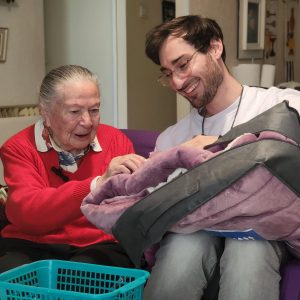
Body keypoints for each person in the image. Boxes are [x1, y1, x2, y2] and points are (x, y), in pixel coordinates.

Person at [143, 15, 300, 300]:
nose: (177, 82)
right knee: (183, 246)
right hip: (197, 232)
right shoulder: (172, 138)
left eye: (183, 64)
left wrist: (218, 144)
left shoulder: (283, 105)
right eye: (167, 73)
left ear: (215, 48)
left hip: (262, 231)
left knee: (248, 250)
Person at [0, 65, 146, 273]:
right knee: (15, 277)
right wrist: (96, 185)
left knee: (81, 275)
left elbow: (128, 215)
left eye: (94, 110)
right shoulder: (19, 148)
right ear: (46, 113)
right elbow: (29, 214)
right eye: (75, 111)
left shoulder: (116, 142)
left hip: (99, 244)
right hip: (31, 242)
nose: (87, 122)